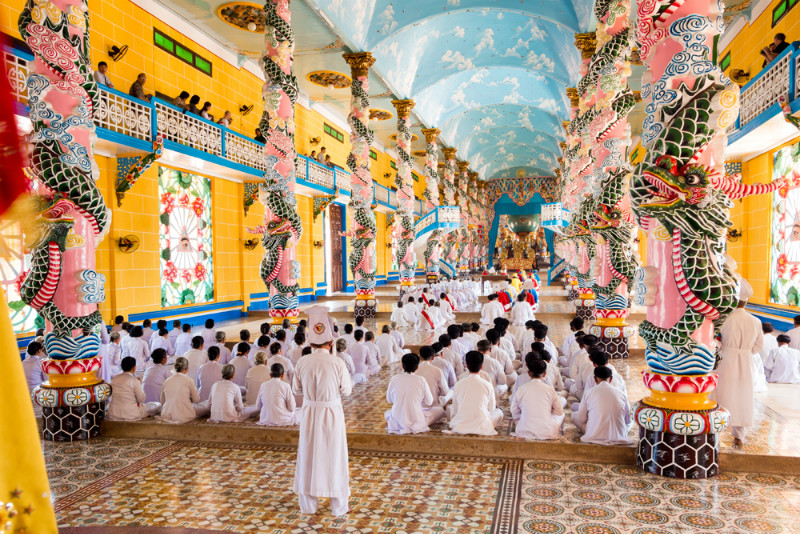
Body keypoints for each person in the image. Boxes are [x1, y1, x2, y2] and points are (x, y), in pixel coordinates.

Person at [292, 305, 353, 516]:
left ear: (310, 342)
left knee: (308, 454)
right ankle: (339, 506)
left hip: (309, 413)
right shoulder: (337, 362)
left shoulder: (302, 362)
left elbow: (295, 389)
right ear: (330, 342)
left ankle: (308, 505)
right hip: (332, 413)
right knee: (334, 455)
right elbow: (347, 390)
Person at [711, 280, 763, 448]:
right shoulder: (755, 321)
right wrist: (745, 352)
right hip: (746, 362)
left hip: (726, 359)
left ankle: (715, 433)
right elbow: (758, 346)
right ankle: (739, 436)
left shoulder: (723, 318)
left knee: (721, 395)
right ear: (747, 301)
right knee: (742, 396)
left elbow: (714, 341)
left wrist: (724, 349)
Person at [385, 353, 445, 434]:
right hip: (416, 420)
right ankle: (417, 426)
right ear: (417, 367)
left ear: (402, 366)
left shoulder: (394, 378)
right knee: (440, 410)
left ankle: (405, 425)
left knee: (388, 413)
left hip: (397, 422)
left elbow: (389, 400)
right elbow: (429, 402)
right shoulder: (421, 380)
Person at [572, 366, 632, 445]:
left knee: (574, 416)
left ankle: (594, 431)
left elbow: (581, 419)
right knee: (631, 421)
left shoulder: (589, 392)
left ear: (595, 379)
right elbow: (628, 420)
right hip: (618, 435)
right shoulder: (621, 394)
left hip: (594, 435)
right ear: (610, 379)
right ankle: (618, 433)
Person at [449, 351, 504, 435]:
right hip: (482, 426)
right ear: (481, 366)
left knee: (451, 409)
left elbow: (456, 408)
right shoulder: (487, 385)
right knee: (499, 412)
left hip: (461, 424)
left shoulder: (458, 384)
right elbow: (492, 409)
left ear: (466, 366)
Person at [511, 358, 564, 440]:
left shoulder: (521, 388)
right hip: (547, 432)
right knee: (562, 415)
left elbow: (514, 411)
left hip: (524, 430)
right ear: (544, 374)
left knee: (520, 418)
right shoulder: (550, 389)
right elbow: (559, 412)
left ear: (529, 373)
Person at [160, 357, 210, 423]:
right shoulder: (189, 380)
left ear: (175, 367)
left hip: (167, 413)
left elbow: (162, 401)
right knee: (207, 405)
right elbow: (196, 400)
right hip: (185, 414)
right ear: (186, 368)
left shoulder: (166, 381)